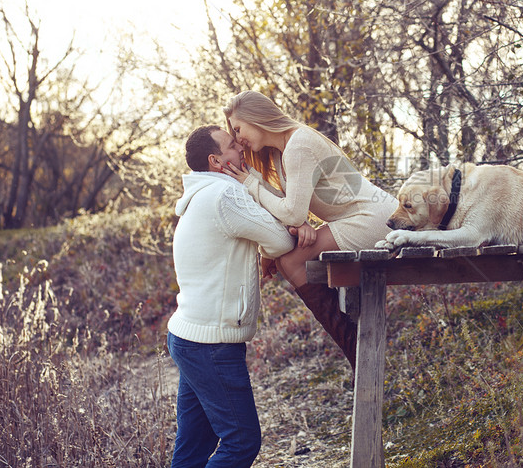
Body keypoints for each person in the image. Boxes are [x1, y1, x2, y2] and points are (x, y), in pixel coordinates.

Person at [221, 91, 398, 370]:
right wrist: (297, 224)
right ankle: (356, 347)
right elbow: (291, 207)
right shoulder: (284, 150)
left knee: (291, 260)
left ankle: (357, 350)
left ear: (256, 117)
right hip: (355, 217)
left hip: (372, 218)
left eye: (238, 128)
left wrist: (254, 187)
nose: (238, 138)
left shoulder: (298, 145)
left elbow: (291, 211)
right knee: (290, 256)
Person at [167, 125, 295, 467]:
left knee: (195, 445)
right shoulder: (225, 196)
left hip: (189, 337)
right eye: (231, 145)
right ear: (216, 160)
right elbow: (282, 240)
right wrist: (269, 248)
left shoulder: (202, 196)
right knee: (241, 442)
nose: (240, 148)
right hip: (211, 344)